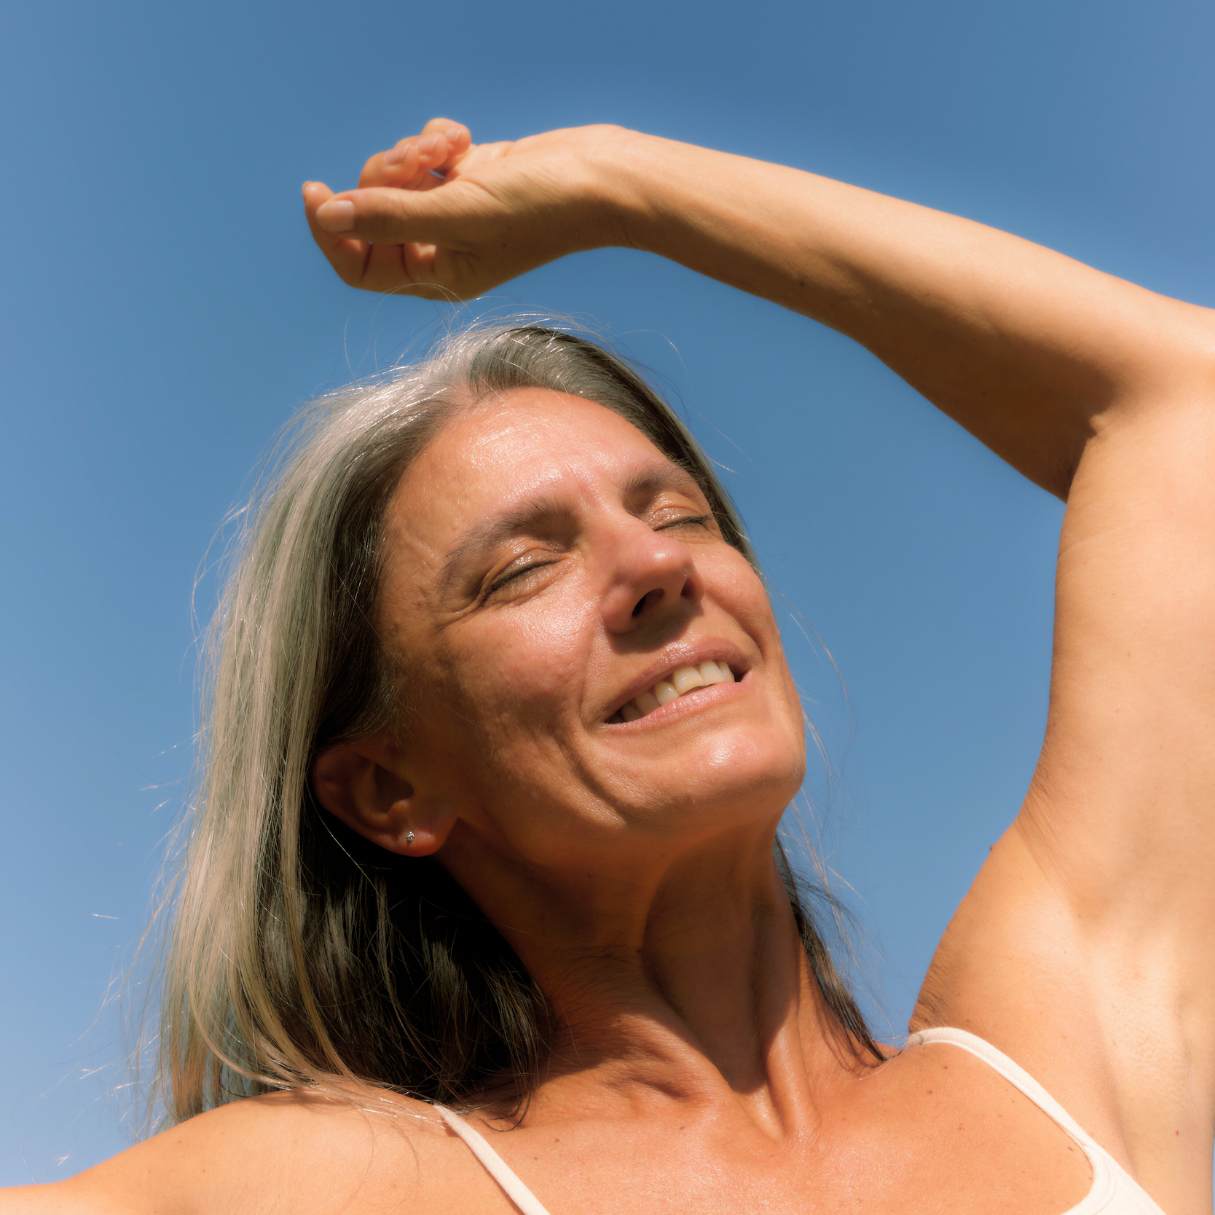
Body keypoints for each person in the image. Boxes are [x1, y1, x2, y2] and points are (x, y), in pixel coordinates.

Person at [4, 118, 1211, 1215]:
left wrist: (614, 187)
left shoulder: (1066, 1055)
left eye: (681, 516)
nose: (656, 570)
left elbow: (1183, 402)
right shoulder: (351, 1185)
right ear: (392, 790)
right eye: (523, 568)